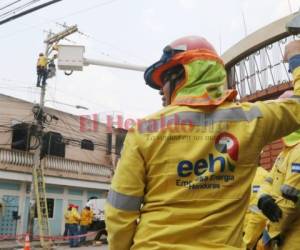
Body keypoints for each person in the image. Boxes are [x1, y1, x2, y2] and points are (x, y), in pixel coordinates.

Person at [105, 37, 300, 250]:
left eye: (164, 82)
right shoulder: (251, 120)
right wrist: (296, 57)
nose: (162, 92)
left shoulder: (145, 130)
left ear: (182, 75)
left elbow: (120, 211)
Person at [256, 128, 300, 249]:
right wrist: (263, 198)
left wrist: (267, 236)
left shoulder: (298, 152)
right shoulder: (285, 153)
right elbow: (268, 181)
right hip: (282, 235)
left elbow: (290, 202)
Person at [243, 165, 271, 249]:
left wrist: (246, 242)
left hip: (255, 237)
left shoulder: (259, 176)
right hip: (248, 235)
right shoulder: (246, 176)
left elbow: (259, 213)